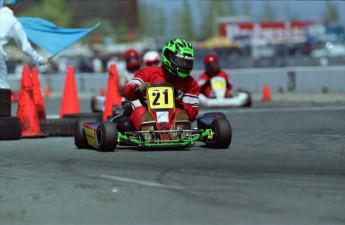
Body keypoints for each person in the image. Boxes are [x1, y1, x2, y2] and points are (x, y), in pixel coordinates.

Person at [123, 38, 199, 135]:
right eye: (180, 61)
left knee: (180, 112)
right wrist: (138, 89)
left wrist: (178, 103)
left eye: (187, 62)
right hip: (149, 114)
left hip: (172, 118)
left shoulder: (191, 83)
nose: (184, 65)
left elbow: (192, 113)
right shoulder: (148, 72)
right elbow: (128, 90)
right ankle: (149, 132)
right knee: (139, 111)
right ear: (168, 57)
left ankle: (177, 131)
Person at [0, 0, 49, 89]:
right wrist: (39, 59)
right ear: (16, 7)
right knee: (2, 86)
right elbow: (25, 47)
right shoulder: (14, 22)